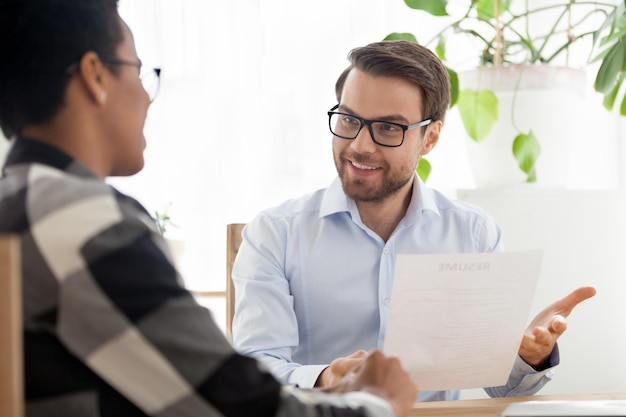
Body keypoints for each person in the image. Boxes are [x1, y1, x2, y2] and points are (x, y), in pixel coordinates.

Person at [0, 1, 419, 416]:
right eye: (139, 72)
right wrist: (378, 403)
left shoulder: (19, 204)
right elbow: (234, 405)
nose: (147, 99)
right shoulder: (83, 222)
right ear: (95, 76)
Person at [231, 40, 597, 401]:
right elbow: (254, 372)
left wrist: (526, 358)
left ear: (430, 138)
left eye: (389, 128)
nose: (361, 145)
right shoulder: (274, 235)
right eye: (348, 119)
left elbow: (501, 386)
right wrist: (324, 378)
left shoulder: (472, 233)